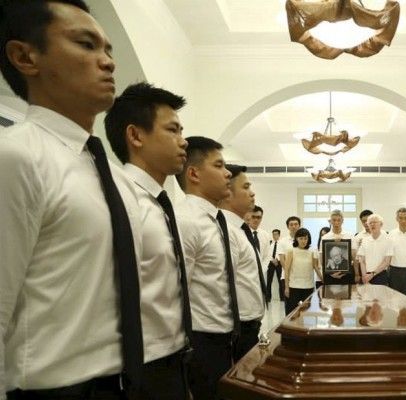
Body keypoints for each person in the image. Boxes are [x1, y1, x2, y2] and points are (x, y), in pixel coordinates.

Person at [0, 1, 144, 398]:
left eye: (109, 50)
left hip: (122, 384)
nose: (109, 62)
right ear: (25, 57)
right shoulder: (16, 156)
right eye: (86, 44)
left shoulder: (113, 175)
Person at [105, 82, 192, 399]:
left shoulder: (160, 204)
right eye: (172, 130)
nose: (183, 141)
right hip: (138, 368)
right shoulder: (116, 198)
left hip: (175, 358)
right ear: (136, 136)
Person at [174, 136, 233, 400]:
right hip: (201, 339)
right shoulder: (186, 220)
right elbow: (177, 289)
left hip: (222, 335)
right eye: (219, 165)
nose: (227, 173)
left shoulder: (213, 219)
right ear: (194, 174)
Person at [219, 164, 266, 363]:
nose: (252, 193)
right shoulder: (225, 230)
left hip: (250, 323)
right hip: (238, 325)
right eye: (246, 187)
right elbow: (223, 283)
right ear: (227, 192)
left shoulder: (241, 230)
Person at [283, 228, 321, 315]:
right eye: (301, 238)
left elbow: (316, 267)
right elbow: (286, 270)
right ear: (296, 239)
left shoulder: (312, 251)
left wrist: (324, 279)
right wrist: (286, 287)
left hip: (308, 287)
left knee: (307, 313)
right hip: (294, 287)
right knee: (291, 313)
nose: (303, 241)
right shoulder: (291, 250)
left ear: (308, 239)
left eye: (305, 238)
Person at [320, 209, 358, 284]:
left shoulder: (350, 236)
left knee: (348, 292)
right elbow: (322, 258)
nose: (336, 223)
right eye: (334, 220)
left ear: (342, 221)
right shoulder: (325, 238)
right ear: (330, 221)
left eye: (339, 220)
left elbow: (354, 256)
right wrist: (331, 273)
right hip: (330, 276)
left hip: (347, 275)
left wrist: (357, 274)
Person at [358, 214, 393, 285]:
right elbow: (362, 261)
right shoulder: (365, 240)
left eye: (375, 222)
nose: (372, 224)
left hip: (381, 275)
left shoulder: (388, 240)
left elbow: (386, 261)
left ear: (381, 224)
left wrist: (372, 274)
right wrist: (364, 276)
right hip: (366, 275)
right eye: (370, 223)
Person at [267, 228, 284, 301]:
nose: (275, 236)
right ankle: (268, 298)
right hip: (271, 262)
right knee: (269, 280)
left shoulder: (282, 243)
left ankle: (282, 298)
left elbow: (282, 253)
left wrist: (277, 259)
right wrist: (272, 260)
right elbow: (268, 253)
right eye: (273, 234)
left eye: (276, 234)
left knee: (280, 280)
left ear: (279, 235)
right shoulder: (270, 244)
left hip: (279, 262)